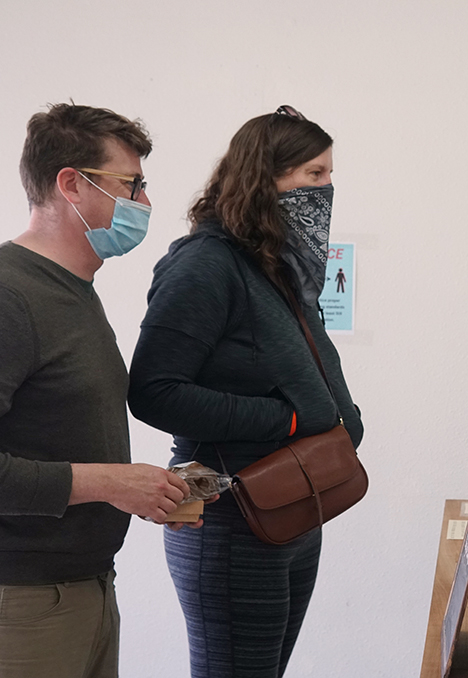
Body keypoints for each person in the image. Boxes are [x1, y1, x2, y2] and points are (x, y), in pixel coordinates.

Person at [128, 105, 364, 678]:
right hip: (228, 521)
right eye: (313, 175)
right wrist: (283, 421)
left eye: (329, 175)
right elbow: (154, 391)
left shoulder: (276, 264)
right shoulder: (205, 264)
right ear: (267, 177)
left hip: (294, 505)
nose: (327, 189)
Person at [0, 103, 191, 678]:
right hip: (24, 604)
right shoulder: (11, 296)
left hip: (87, 589)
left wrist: (142, 489)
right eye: (131, 185)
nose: (145, 204)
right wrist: (109, 482)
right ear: (71, 185)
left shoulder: (75, 290)